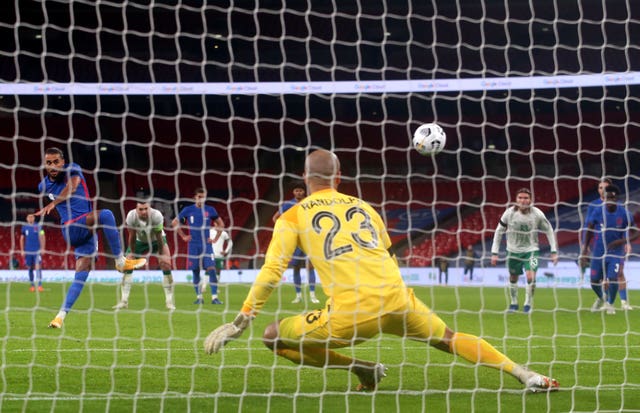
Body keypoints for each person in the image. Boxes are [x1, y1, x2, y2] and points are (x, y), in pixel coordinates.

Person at [204, 149, 559, 393]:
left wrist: (240, 321)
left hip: (352, 314)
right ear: (339, 177)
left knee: (272, 336)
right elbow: (388, 254)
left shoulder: (292, 216)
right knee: (449, 338)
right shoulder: (365, 208)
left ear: (303, 178)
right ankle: (524, 373)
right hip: (398, 301)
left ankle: (360, 367)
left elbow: (271, 271)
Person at [35, 147, 146, 328]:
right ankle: (120, 261)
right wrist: (55, 205)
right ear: (45, 165)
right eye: (49, 163)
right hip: (72, 227)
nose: (53, 166)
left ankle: (59, 317)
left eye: (56, 162)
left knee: (81, 275)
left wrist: (55, 202)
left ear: (63, 162)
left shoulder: (73, 169)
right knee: (107, 215)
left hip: (84, 232)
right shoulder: (43, 185)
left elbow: (73, 185)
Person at [490, 188, 559, 314]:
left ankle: (528, 304)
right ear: (516, 200)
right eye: (520, 198)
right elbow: (499, 231)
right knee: (513, 277)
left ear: (531, 200)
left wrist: (553, 251)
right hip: (512, 251)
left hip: (531, 251)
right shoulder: (509, 213)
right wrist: (494, 252)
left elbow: (549, 230)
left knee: (530, 276)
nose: (523, 200)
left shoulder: (537, 214)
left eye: (526, 198)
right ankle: (514, 303)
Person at [581, 184, 639, 315]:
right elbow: (589, 229)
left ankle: (611, 304)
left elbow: (636, 232)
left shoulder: (625, 213)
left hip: (616, 252)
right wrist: (584, 249)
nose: (610, 201)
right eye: (608, 198)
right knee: (594, 280)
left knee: (613, 277)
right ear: (604, 198)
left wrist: (623, 241)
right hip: (598, 251)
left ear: (617, 198)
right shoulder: (597, 211)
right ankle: (603, 298)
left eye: (613, 198)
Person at [113, 200, 175, 311]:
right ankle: (124, 301)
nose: (143, 211)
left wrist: (161, 254)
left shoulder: (156, 216)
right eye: (140, 209)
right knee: (128, 267)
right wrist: (131, 254)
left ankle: (169, 302)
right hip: (138, 241)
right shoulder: (131, 216)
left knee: (166, 265)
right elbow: (131, 236)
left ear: (150, 208)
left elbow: (159, 237)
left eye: (146, 209)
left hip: (157, 241)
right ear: (136, 210)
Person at [172, 188, 225, 304]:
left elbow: (221, 224)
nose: (202, 199)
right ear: (195, 197)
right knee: (195, 271)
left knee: (211, 269)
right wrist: (183, 236)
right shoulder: (188, 210)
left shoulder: (210, 210)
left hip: (207, 245)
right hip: (193, 245)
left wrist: (215, 238)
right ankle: (199, 297)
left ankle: (214, 297)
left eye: (204, 197)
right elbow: (174, 222)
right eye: (199, 196)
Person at [272, 182, 319, 304]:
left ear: (304, 192)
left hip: (308, 239)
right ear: (293, 192)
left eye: (300, 190)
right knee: (296, 267)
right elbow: (275, 218)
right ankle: (298, 296)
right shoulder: (288, 204)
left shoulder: (310, 202)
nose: (298, 192)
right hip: (295, 240)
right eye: (296, 190)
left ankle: (312, 295)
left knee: (310, 267)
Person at [20, 213, 45, 292]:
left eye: (32, 217)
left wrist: (43, 248)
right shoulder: (24, 227)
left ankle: (40, 285)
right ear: (27, 219)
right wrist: (22, 250)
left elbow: (42, 236)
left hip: (37, 250)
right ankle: (32, 285)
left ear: (34, 218)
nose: (30, 218)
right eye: (29, 217)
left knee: (38, 267)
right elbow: (21, 239)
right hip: (28, 251)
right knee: (30, 268)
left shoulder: (38, 226)